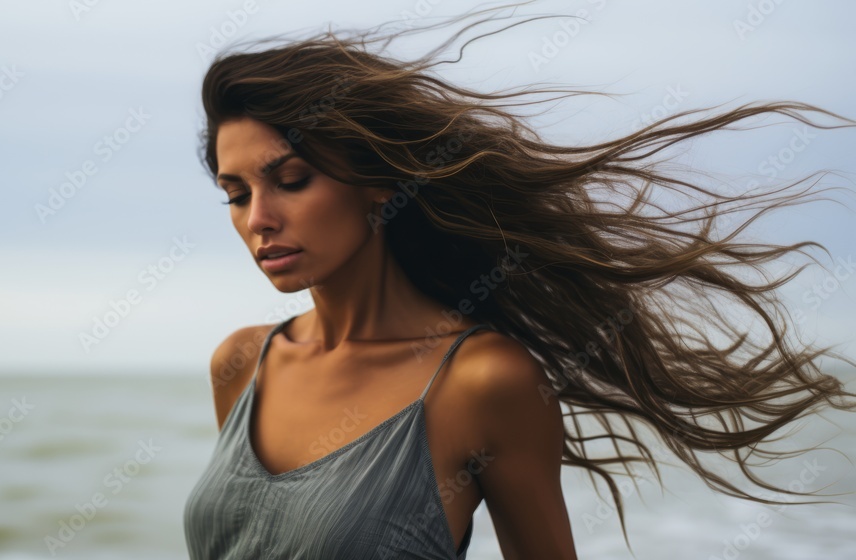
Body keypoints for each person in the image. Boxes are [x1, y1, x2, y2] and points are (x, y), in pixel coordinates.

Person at [183, 3, 856, 558]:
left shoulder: (482, 380)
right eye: (236, 194)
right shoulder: (243, 363)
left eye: (291, 180)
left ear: (378, 184)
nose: (259, 219)